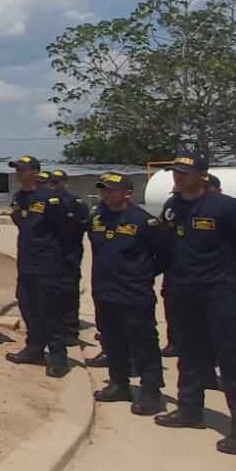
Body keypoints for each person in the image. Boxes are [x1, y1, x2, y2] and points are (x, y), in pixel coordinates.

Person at [153, 151, 236, 454]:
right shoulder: (173, 206)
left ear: (202, 176)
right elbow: (166, 248)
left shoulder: (227, 208)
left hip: (222, 294)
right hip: (184, 294)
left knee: (234, 361)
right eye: (175, 172)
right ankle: (189, 410)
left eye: (184, 173)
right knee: (189, 356)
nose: (178, 177)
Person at [85, 172, 172, 415]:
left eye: (111, 189)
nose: (106, 193)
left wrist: (143, 273)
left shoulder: (144, 221)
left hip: (134, 293)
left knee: (143, 343)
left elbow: (164, 254)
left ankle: (151, 390)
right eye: (104, 189)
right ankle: (119, 383)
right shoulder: (97, 218)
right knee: (112, 340)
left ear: (127, 193)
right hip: (104, 291)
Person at [5, 155, 78, 378]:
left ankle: (58, 357)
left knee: (50, 312)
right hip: (26, 263)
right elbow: (21, 222)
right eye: (17, 169)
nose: (18, 173)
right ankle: (34, 349)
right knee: (28, 308)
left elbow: (65, 231)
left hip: (48, 265)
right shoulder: (19, 197)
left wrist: (64, 261)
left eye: (23, 169)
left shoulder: (49, 198)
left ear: (35, 172)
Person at [48, 169, 89, 346]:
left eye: (56, 182)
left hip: (69, 252)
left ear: (65, 183)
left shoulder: (75, 202)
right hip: (50, 254)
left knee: (69, 291)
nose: (53, 185)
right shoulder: (45, 200)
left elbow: (84, 224)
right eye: (51, 182)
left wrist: (70, 220)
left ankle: (71, 330)